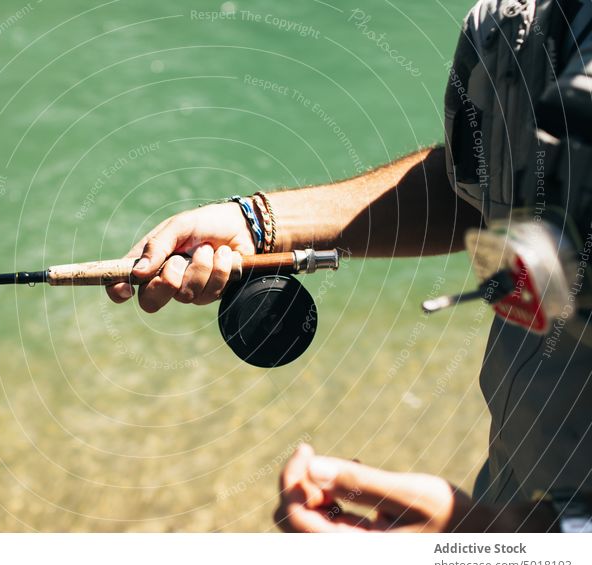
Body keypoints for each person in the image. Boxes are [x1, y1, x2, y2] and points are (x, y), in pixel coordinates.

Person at [107, 0, 592, 532]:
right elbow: (480, 188)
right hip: (514, 486)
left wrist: (491, 539)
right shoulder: (512, 22)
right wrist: (261, 223)